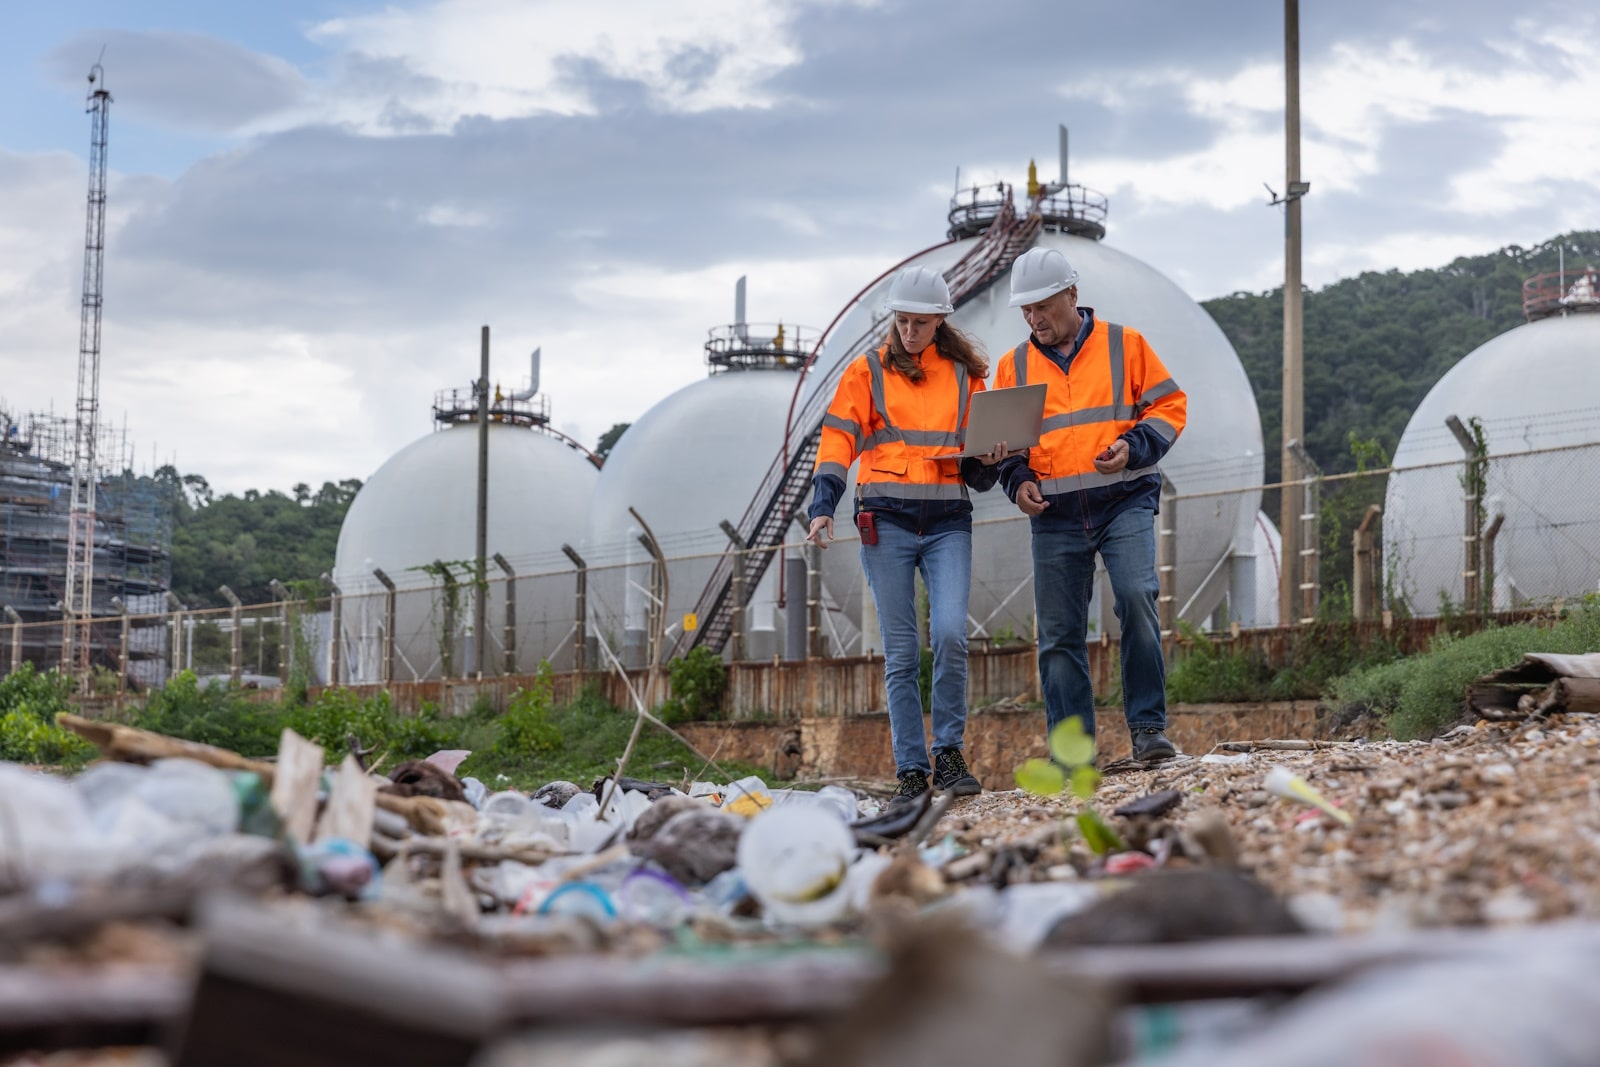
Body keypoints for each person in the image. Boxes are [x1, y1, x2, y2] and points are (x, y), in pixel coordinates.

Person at [805, 266, 1013, 808]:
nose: (910, 332)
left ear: (941, 320)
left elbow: (977, 472)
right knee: (901, 652)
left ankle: (948, 755)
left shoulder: (967, 375)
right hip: (886, 522)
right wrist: (822, 507)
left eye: (921, 323)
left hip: (947, 520)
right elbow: (835, 443)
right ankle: (911, 772)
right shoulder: (866, 373)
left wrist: (989, 459)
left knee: (948, 634)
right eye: (903, 322)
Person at [991, 247, 1188, 762]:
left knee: (1136, 599)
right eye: (1026, 311)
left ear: (1073, 295)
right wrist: (1018, 483)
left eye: (1044, 307)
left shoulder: (1126, 346)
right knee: (1058, 635)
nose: (1035, 319)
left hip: (1123, 500)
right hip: (1054, 515)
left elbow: (1170, 407)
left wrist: (1133, 447)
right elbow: (1009, 448)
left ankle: (1148, 730)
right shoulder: (1013, 366)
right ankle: (1074, 754)